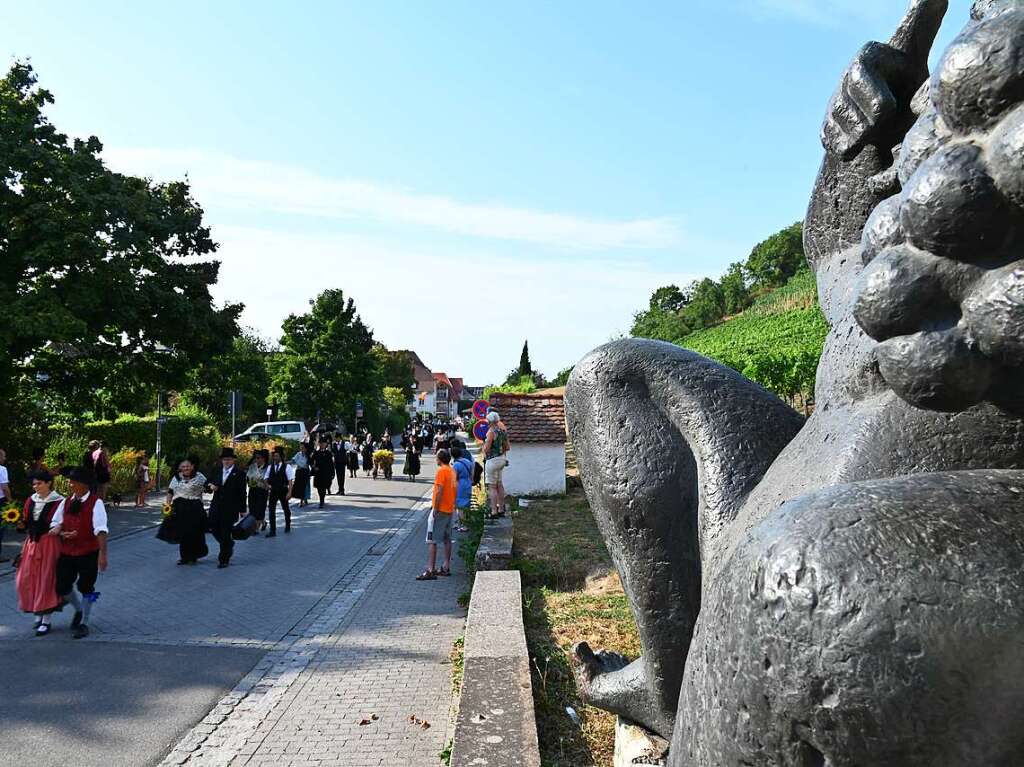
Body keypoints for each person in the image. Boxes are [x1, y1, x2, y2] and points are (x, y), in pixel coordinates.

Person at [50, 466, 109, 639]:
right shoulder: (66, 502)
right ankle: (78, 609)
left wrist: (102, 555)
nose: (69, 484)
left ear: (84, 484)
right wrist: (61, 532)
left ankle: (84, 622)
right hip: (67, 551)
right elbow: (56, 522)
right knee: (62, 585)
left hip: (88, 552)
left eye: (72, 482)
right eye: (69, 481)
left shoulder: (96, 503)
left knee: (86, 587)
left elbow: (101, 530)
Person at [15, 470, 64, 635]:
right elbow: (26, 520)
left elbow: (65, 522)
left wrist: (60, 527)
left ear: (48, 483)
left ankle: (46, 620)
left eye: (39, 483)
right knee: (25, 579)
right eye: (34, 484)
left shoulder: (59, 501)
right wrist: (20, 524)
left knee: (46, 580)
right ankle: (37, 610)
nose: (36, 487)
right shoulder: (31, 500)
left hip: (49, 543)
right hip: (32, 543)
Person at [417, 449, 456, 580]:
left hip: (440, 509)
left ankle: (430, 569)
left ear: (440, 459)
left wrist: (436, 508)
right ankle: (446, 567)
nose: (435, 458)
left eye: (436, 456)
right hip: (449, 509)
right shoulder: (452, 471)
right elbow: (454, 489)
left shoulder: (441, 471)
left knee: (432, 540)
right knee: (447, 539)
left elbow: (439, 491)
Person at [206, 447, 246, 568]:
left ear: (233, 460)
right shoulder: (216, 470)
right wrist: (210, 486)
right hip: (216, 506)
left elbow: (242, 493)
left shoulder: (239, 474)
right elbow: (206, 483)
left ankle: (224, 559)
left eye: (229, 459)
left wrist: (242, 509)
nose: (226, 462)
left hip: (230, 508)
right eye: (224, 459)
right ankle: (228, 544)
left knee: (225, 532)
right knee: (213, 527)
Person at [166, 457, 209, 565]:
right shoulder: (176, 477)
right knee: (183, 533)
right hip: (180, 507)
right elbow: (170, 492)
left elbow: (207, 488)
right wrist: (167, 506)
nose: (185, 468)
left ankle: (193, 556)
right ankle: (184, 557)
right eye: (183, 466)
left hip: (195, 507)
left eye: (188, 466)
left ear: (192, 466)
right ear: (180, 467)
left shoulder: (199, 477)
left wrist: (210, 487)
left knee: (194, 532)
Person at [481, 410, 510, 519]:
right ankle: (502, 509)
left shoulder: (491, 432)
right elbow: (508, 447)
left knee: (492, 487)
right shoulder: (502, 431)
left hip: (492, 461)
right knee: (500, 484)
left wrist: (484, 446)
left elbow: (486, 448)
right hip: (502, 459)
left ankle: (494, 511)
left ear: (490, 422)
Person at [265, 446, 295, 537]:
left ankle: (288, 524)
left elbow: (290, 481)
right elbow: (265, 478)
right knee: (271, 510)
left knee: (285, 508)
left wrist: (290, 492)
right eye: (274, 456)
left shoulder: (287, 467)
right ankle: (272, 530)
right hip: (273, 491)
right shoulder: (270, 467)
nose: (275, 458)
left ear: (281, 457)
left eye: (277, 456)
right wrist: (267, 485)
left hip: (283, 490)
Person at [246, 449, 270, 529]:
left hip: (262, 490)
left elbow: (267, 481)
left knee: (260, 509)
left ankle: (255, 529)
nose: (257, 460)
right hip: (253, 489)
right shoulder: (253, 466)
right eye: (256, 458)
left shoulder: (268, 468)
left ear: (264, 458)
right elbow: (248, 476)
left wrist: (260, 478)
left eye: (259, 458)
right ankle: (263, 522)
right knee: (252, 509)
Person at [452, 445, 474, 532]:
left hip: (460, 485)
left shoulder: (456, 465)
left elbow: (454, 479)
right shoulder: (468, 462)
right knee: (466, 504)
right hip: (468, 483)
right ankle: (462, 524)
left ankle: (463, 525)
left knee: (460, 506)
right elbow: (472, 474)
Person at [311, 438, 335, 509]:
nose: (322, 445)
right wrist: (314, 467)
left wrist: (332, 473)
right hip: (318, 472)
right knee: (319, 487)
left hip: (326, 472)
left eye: (324, 443)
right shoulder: (316, 452)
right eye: (321, 443)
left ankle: (322, 500)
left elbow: (331, 464)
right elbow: (311, 460)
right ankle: (321, 498)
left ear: (326, 445)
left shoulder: (328, 453)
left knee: (324, 487)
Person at [0, 447, 13, 563]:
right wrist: (10, 502)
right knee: (1, 527)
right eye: (3, 456)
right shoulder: (2, 469)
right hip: (0, 501)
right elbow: (4, 487)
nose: (5, 458)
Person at [292, 443, 311, 507]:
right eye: (301, 447)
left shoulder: (308, 455)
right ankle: (302, 499)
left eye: (303, 448)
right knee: (299, 486)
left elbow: (306, 464)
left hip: (305, 472)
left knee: (304, 486)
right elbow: (294, 460)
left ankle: (302, 500)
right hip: (299, 471)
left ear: (306, 449)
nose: (302, 449)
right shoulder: (298, 454)